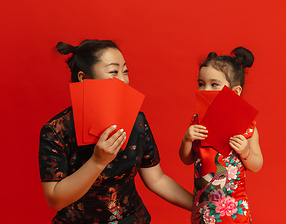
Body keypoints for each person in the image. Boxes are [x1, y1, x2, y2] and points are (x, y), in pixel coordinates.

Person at [39, 39, 193, 223]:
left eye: (125, 71)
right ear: (83, 78)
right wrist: (97, 161)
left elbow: (157, 179)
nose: (123, 80)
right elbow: (55, 200)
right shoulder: (56, 130)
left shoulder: (137, 121)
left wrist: (202, 206)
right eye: (114, 72)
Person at [179, 47, 263, 223]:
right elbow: (187, 160)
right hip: (203, 209)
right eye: (201, 84)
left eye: (214, 84)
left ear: (235, 91)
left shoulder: (246, 126)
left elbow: (256, 165)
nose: (205, 90)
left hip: (234, 210)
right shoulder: (197, 122)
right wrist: (187, 140)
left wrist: (245, 151)